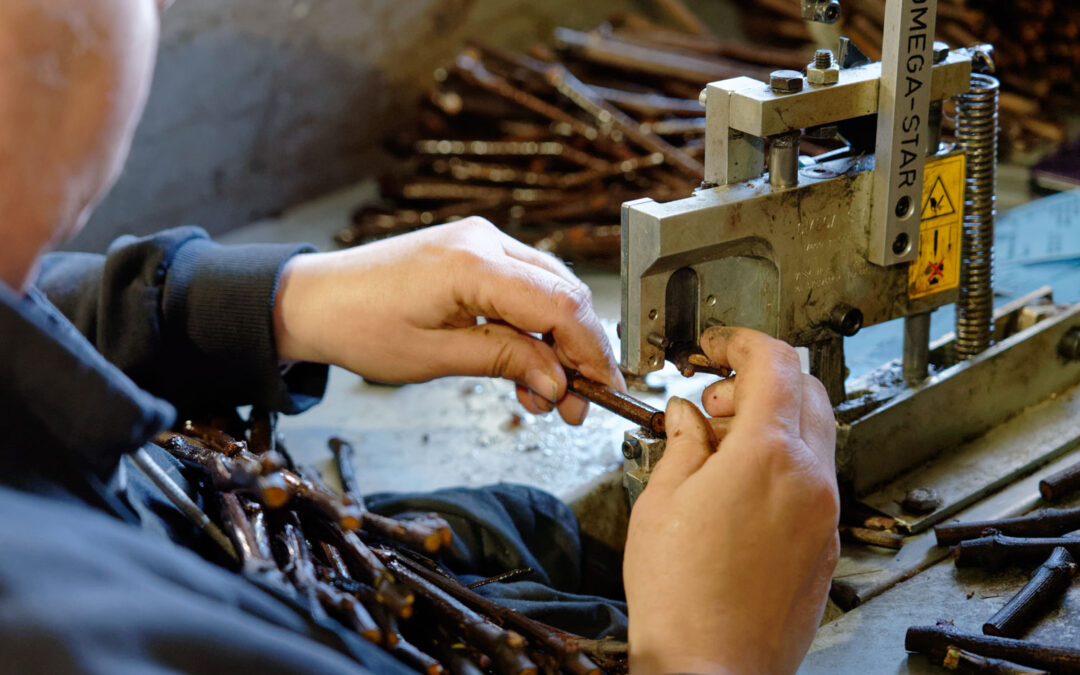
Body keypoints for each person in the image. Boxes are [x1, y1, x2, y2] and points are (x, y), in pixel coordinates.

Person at [0, 0, 840, 673]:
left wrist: (274, 302)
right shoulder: (49, 625)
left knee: (524, 532)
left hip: (202, 530)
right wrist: (710, 658)